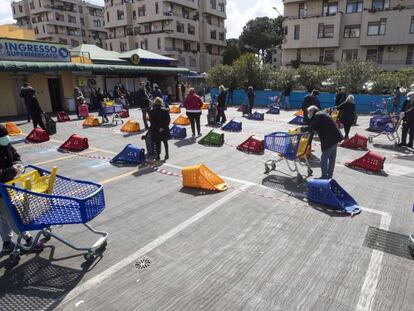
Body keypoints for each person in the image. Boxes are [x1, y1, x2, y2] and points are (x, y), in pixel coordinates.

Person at [0, 125, 43, 253]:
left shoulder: (6, 145)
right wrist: (12, 171)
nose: (5, 139)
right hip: (1, 191)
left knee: (3, 217)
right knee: (11, 214)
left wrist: (18, 165)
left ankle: (7, 242)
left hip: (7, 186)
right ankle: (28, 239)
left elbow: (15, 155)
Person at [301, 106, 343, 179]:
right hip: (335, 137)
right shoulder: (321, 114)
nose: (308, 114)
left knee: (324, 158)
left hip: (330, 139)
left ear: (312, 111)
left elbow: (312, 127)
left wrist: (302, 129)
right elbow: (316, 127)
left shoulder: (317, 116)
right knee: (332, 158)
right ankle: (329, 176)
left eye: (308, 112)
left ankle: (324, 176)